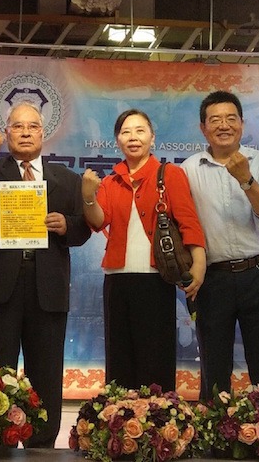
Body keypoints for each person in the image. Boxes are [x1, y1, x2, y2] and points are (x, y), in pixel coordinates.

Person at [0, 100, 91, 448]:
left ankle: (42, 443)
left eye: (32, 126)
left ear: (43, 133)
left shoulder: (66, 178)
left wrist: (67, 225)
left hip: (47, 284)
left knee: (46, 367)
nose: (26, 132)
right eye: (18, 126)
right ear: (7, 133)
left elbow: (83, 228)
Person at [81, 109, 206, 393]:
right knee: (119, 358)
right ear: (117, 140)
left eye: (140, 131)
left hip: (156, 279)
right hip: (117, 279)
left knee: (155, 358)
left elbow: (188, 221)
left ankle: (157, 416)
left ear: (152, 137)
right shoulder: (111, 181)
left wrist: (199, 263)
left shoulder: (169, 174)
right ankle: (119, 416)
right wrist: (88, 197)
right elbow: (99, 221)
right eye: (126, 132)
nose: (133, 137)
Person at [181, 90, 259, 401]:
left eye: (230, 118)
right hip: (213, 279)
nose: (223, 125)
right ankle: (215, 428)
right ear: (203, 128)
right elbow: (184, 222)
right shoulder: (188, 168)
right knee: (214, 367)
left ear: (242, 124)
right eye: (215, 120)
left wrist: (246, 180)